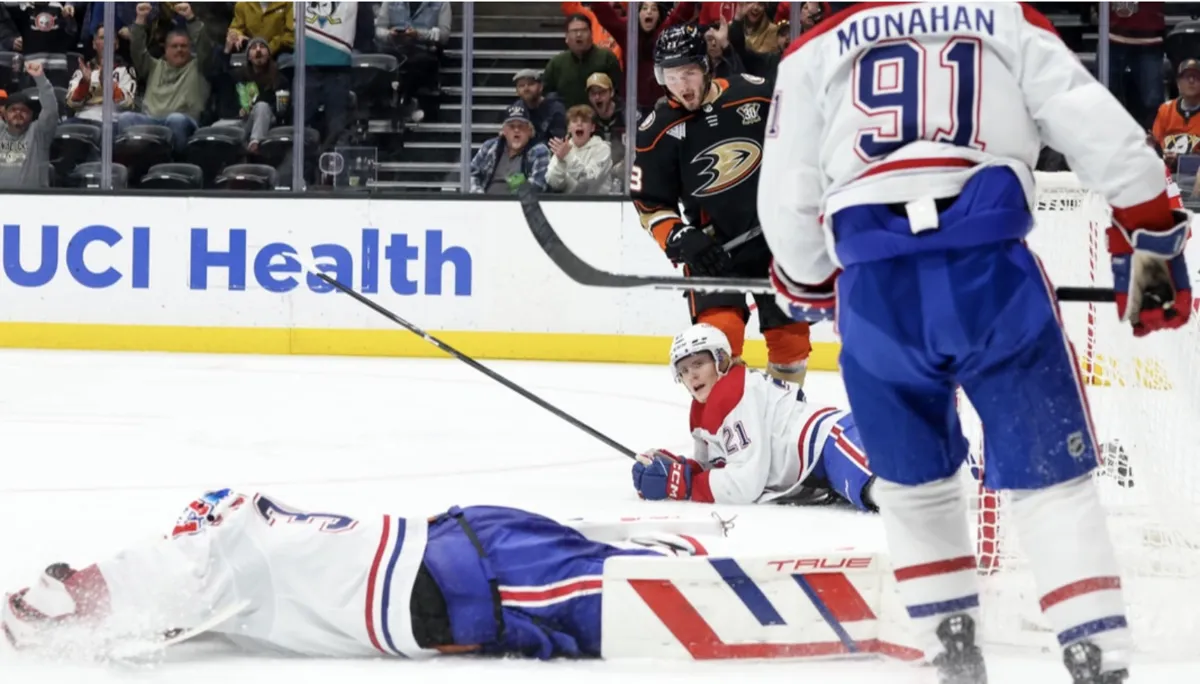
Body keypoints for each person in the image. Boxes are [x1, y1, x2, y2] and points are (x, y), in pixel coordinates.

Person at [758, 4, 1191, 683]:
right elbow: (1094, 123)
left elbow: (785, 195)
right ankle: (1098, 660)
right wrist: (1148, 223)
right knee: (1053, 483)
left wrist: (808, 279)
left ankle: (951, 653)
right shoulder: (1006, 17)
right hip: (991, 276)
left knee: (914, 486)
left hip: (875, 294)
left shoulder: (813, 48)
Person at [2, 489, 712, 658]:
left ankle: (674, 573)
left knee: (599, 591)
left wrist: (58, 602)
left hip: (445, 582)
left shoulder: (217, 563)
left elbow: (149, 573)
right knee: (589, 573)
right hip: (459, 538)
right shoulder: (239, 514)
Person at [631, 24, 812, 386]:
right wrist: (682, 237)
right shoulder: (657, 130)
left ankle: (784, 421)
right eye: (671, 76)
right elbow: (650, 205)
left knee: (790, 344)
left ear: (706, 66)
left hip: (774, 244)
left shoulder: (757, 95)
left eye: (688, 73)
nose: (681, 85)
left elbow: (802, 150)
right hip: (713, 252)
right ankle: (731, 432)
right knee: (716, 345)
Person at [632, 323, 876, 511]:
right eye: (684, 370)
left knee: (890, 488)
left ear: (721, 360)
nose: (691, 375)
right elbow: (722, 467)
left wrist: (682, 484)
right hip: (823, 467)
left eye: (698, 364)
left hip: (834, 440)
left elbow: (744, 484)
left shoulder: (735, 392)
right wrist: (678, 468)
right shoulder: (705, 411)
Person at [0, 61, 57, 188]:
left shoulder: (39, 133)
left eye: (24, 110)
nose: (18, 113)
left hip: (33, 203)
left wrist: (40, 78)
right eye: (13, 110)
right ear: (4, 114)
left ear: (31, 115)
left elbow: (50, 109)